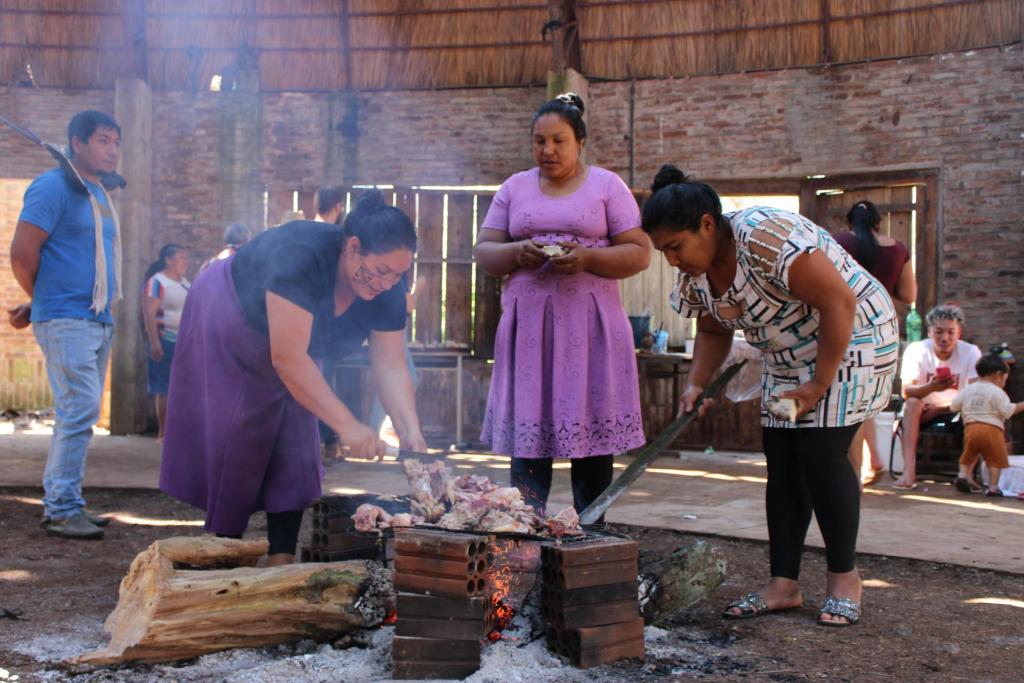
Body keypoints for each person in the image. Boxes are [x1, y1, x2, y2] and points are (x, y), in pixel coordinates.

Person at [643, 165, 898, 627]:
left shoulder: (766, 239)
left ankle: (845, 579)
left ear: (706, 224)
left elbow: (839, 301)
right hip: (785, 354)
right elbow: (711, 326)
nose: (672, 261)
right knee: (782, 458)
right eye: (664, 252)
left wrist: (818, 384)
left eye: (675, 247)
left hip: (852, 336)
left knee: (820, 453)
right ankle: (784, 584)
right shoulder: (696, 273)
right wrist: (697, 383)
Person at [159, 190, 426, 565]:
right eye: (382, 271)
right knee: (240, 428)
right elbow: (288, 359)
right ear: (353, 248)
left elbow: (392, 366)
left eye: (399, 275)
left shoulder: (387, 287)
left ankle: (281, 556)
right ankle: (226, 552)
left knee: (298, 437)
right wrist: (348, 426)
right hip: (229, 315)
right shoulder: (301, 255)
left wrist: (411, 433)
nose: (388, 283)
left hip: (292, 348)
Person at [474, 93, 651, 517]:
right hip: (529, 329)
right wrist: (518, 253)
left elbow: (639, 252)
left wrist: (588, 258)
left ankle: (590, 534)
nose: (547, 150)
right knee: (529, 431)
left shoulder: (608, 186)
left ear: (580, 142)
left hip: (589, 326)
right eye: (539, 141)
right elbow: (484, 253)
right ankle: (526, 531)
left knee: (590, 429)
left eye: (559, 140)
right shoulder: (514, 187)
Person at [7, 110, 123, 540]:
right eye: (102, 140)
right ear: (76, 143)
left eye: (115, 142)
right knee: (79, 411)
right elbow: (22, 253)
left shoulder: (96, 194)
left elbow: (78, 259)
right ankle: (60, 508)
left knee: (81, 414)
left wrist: (39, 303)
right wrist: (43, 302)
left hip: (97, 317)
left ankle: (69, 501)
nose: (111, 150)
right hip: (68, 317)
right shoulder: (52, 186)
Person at [835, 200, 917, 486]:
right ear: (878, 223)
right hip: (883, 330)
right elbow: (908, 294)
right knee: (866, 399)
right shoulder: (898, 249)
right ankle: (876, 460)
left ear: (849, 222)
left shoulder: (839, 242)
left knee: (851, 403)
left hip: (848, 327)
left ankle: (853, 476)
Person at [893, 304, 982, 490]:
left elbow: (975, 392)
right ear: (930, 332)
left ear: (959, 333)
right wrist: (931, 387)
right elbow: (907, 391)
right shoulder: (917, 350)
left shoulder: (970, 352)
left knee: (977, 407)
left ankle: (965, 474)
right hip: (922, 410)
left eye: (951, 332)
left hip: (956, 410)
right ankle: (909, 471)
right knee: (912, 403)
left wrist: (942, 409)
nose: (945, 338)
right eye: (939, 332)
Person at [950, 353, 1024, 497]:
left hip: (971, 429)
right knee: (994, 460)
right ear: (998, 375)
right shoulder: (998, 392)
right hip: (992, 430)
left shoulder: (968, 389)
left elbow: (953, 406)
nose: (1004, 383)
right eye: (1004, 379)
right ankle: (993, 487)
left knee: (968, 456)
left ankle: (963, 475)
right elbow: (1008, 411)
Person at [141, 243, 190, 440]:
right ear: (168, 260)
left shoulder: (185, 282)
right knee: (164, 388)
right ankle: (164, 432)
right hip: (165, 340)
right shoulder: (157, 282)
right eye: (181, 258)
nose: (185, 262)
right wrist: (154, 342)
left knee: (182, 387)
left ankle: (178, 431)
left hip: (183, 342)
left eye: (186, 258)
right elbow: (149, 314)